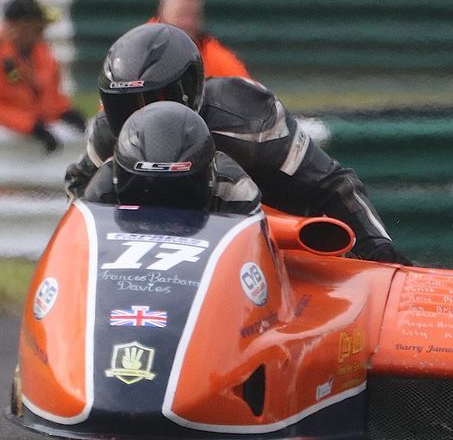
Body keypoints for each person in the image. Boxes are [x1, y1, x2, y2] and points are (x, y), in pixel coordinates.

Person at [64, 23, 407, 262]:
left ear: (188, 88)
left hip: (271, 249)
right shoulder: (111, 133)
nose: (142, 115)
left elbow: (331, 184)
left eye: (152, 99)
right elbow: (81, 194)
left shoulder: (249, 119)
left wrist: (378, 249)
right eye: (125, 104)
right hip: (149, 260)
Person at [77, 101, 261, 216]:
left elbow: (256, 241)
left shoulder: (232, 187)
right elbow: (79, 243)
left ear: (208, 176)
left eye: (178, 191)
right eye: (146, 188)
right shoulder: (101, 190)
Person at [0, 0, 84, 151]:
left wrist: (64, 112)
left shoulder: (40, 52)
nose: (42, 35)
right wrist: (31, 126)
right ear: (21, 27)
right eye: (39, 29)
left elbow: (46, 96)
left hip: (31, 144)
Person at [155, 0, 251, 80]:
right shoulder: (145, 49)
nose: (188, 23)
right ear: (162, 13)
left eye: (194, 16)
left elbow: (245, 86)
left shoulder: (218, 60)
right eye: (181, 15)